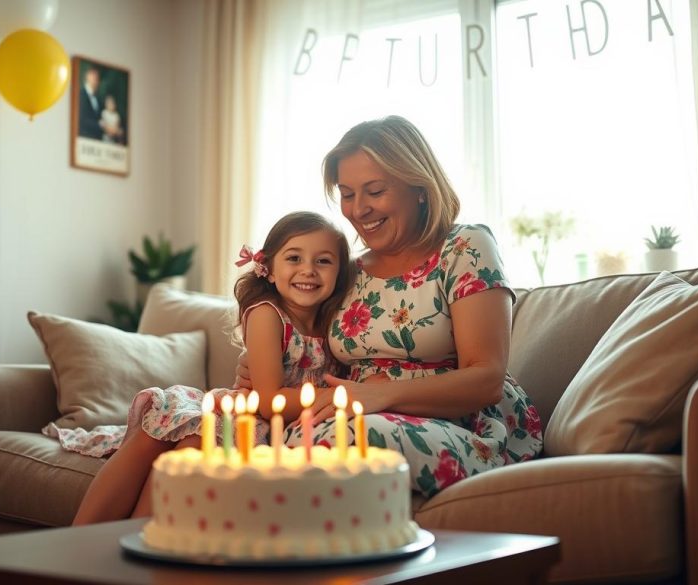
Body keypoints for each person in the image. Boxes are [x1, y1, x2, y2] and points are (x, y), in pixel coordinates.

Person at [238, 115, 543, 499]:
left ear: (418, 187)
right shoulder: (347, 271)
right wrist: (258, 363)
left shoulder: (465, 247)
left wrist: (383, 395)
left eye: (375, 191)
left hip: (462, 423)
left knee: (336, 444)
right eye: (347, 194)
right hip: (353, 414)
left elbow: (487, 380)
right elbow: (296, 337)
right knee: (269, 449)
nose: (358, 209)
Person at [70, 211, 354, 524]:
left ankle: (140, 545)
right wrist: (343, 396)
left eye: (323, 261)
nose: (308, 270)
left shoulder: (341, 325)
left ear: (340, 273)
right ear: (269, 270)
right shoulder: (267, 315)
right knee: (160, 436)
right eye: (294, 258)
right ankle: (87, 538)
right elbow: (269, 400)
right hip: (246, 416)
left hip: (276, 432)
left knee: (191, 446)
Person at [78, 66, 104, 140]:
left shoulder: (98, 99)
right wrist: (100, 126)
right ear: (88, 76)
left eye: (97, 78)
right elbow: (82, 119)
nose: (95, 80)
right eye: (93, 76)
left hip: (96, 139)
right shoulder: (81, 94)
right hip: (84, 137)